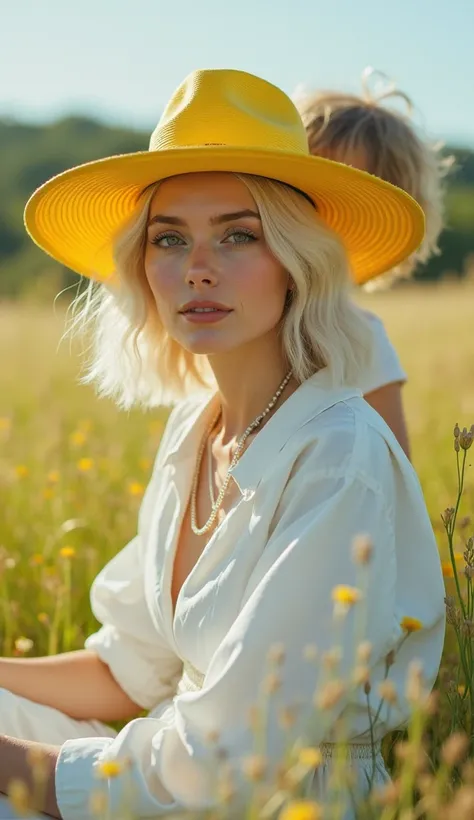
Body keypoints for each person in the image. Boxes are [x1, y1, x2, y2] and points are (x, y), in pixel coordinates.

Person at [0, 69, 445, 820]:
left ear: (301, 261)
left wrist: (19, 769)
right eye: (169, 238)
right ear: (142, 267)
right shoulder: (195, 430)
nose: (197, 267)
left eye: (240, 235)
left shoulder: (339, 458)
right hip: (178, 779)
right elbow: (129, 671)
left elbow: (232, 759)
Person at [295, 69, 451, 457]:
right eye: (298, 191)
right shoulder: (235, 314)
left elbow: (395, 481)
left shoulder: (361, 339)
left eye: (340, 203)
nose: (307, 217)